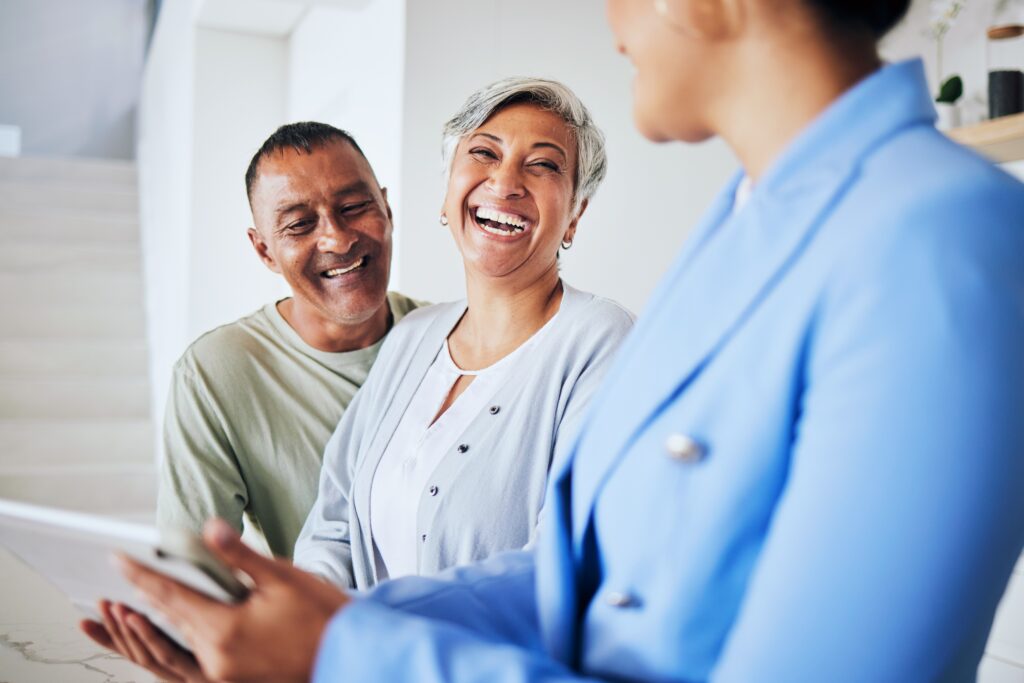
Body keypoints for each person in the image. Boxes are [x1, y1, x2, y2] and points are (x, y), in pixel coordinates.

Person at [106, 0, 1024, 680]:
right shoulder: (741, 224)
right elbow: (584, 575)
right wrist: (301, 629)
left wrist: (348, 652)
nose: (612, 19)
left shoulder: (943, 237)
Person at [293, 77, 634, 589]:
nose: (506, 183)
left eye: (543, 164)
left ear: (575, 215)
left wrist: (379, 628)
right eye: (483, 153)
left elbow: (561, 563)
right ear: (447, 190)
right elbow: (334, 526)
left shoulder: (601, 341)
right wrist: (317, 615)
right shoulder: (413, 335)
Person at [157, 122, 421, 560]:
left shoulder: (458, 337)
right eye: (299, 225)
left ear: (387, 210)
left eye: (354, 206)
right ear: (264, 251)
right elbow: (196, 569)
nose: (337, 238)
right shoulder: (215, 373)